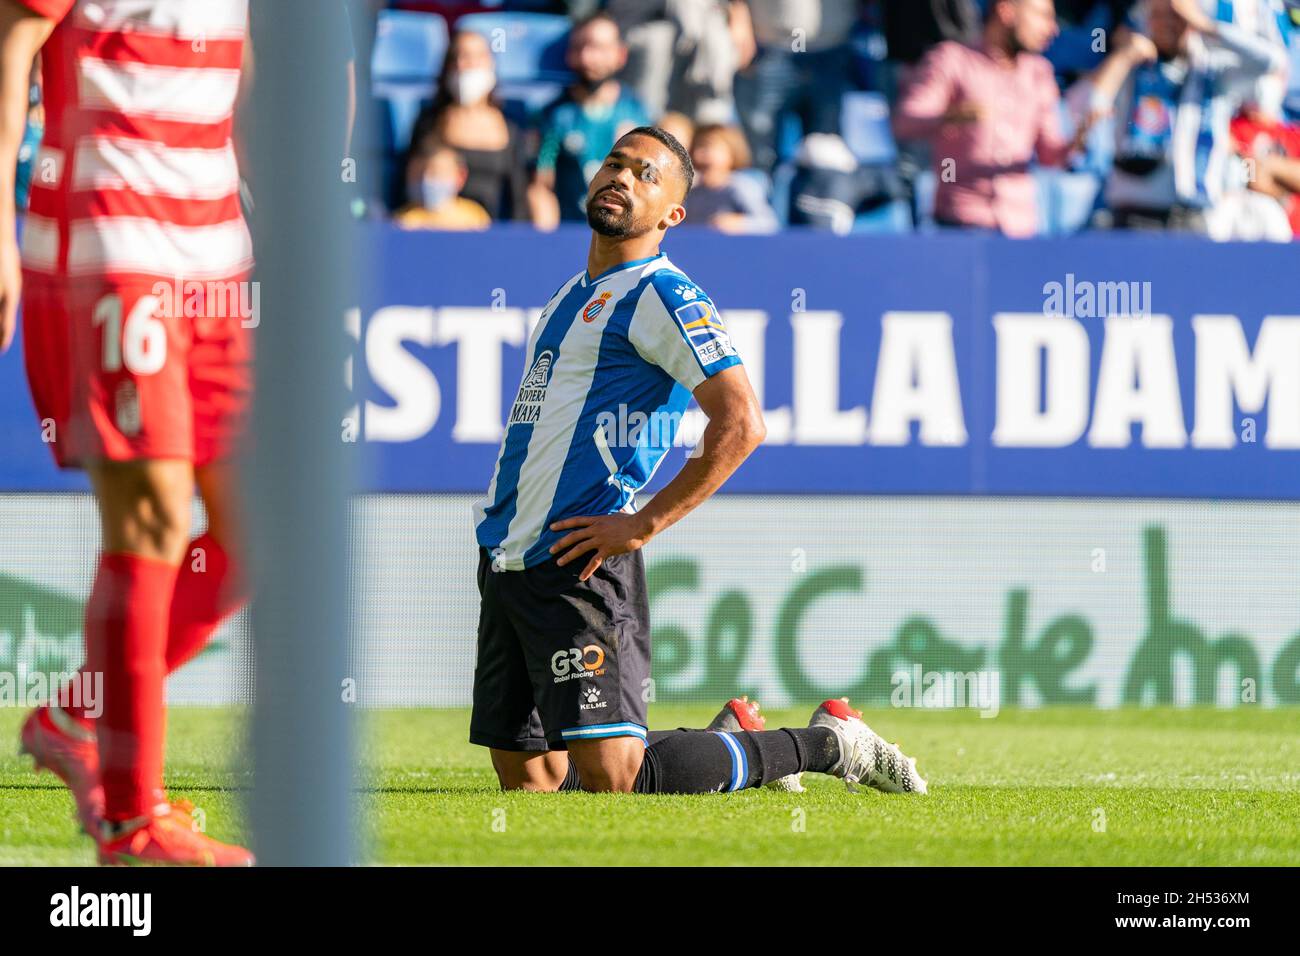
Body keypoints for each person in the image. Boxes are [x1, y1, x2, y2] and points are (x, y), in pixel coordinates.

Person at [471, 124, 927, 796]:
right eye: (616, 164)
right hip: (509, 557)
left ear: (673, 213)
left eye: (646, 175)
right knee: (535, 780)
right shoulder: (571, 295)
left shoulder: (664, 295)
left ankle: (826, 744)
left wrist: (642, 525)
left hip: (580, 555)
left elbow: (741, 423)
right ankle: (730, 740)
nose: (622, 178)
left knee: (613, 778)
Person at [0, 0, 255, 865]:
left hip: (219, 251)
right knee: (150, 517)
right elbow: (16, 34)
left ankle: (73, 716)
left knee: (267, 530)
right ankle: (128, 822)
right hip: (111, 231)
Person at [1082, 0, 1288, 232]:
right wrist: (1122, 57)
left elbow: (1272, 61)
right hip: (1134, 215)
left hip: (1195, 217)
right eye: (1159, 15)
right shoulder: (1132, 67)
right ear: (1146, 19)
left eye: (1176, 15)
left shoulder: (1214, 71)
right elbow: (1088, 106)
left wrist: (1208, 26)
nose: (1168, 24)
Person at [892, 0, 1088, 236]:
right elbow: (905, 122)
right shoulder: (952, 60)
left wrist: (1080, 137)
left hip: (1020, 230)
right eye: (1042, 16)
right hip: (959, 227)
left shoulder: (1039, 74)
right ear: (1006, 11)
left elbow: (1049, 157)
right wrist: (953, 117)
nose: (1052, 29)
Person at [528, 12, 651, 229]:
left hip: (622, 237)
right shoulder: (555, 115)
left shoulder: (637, 113)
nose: (587, 58)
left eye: (598, 48)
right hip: (571, 232)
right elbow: (542, 185)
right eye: (578, 48)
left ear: (620, 55)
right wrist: (547, 239)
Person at [406, 28, 529, 221]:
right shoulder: (429, 122)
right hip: (438, 230)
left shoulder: (511, 129)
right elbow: (409, 184)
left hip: (492, 236)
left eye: (476, 57)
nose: (464, 65)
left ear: (491, 63)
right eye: (457, 57)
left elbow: (518, 199)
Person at [733, 0, 862, 174]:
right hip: (769, 46)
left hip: (833, 49)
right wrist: (739, 22)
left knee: (825, 152)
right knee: (759, 151)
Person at [686, 123, 779, 233]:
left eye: (707, 147)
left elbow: (769, 224)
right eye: (696, 147)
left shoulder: (740, 186)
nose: (698, 154)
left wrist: (740, 223)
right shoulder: (693, 192)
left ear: (731, 151)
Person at [394, 139, 492, 231]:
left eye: (435, 173)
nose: (426, 179)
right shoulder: (401, 221)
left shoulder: (474, 216)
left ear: (460, 176)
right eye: (418, 173)